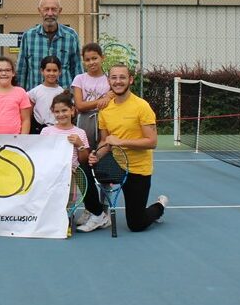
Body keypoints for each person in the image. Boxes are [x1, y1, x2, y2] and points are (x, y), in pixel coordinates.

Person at [79, 63, 169, 233]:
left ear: (130, 80)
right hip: (116, 164)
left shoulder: (142, 106)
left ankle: (159, 206)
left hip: (138, 169)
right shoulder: (105, 109)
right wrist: (97, 155)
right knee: (82, 166)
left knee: (136, 224)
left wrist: (121, 142)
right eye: (114, 77)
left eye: (122, 77)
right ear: (108, 81)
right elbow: (105, 141)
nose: (118, 81)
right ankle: (98, 214)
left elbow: (152, 142)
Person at [39, 91, 90, 219]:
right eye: (57, 111)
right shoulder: (46, 131)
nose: (61, 114)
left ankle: (67, 223)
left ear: (72, 110)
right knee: (51, 204)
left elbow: (84, 160)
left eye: (64, 110)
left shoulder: (80, 133)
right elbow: (41, 155)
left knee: (69, 204)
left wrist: (80, 145)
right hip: (51, 176)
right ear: (52, 112)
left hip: (71, 176)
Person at [16, 0, 82, 91]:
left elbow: (77, 70)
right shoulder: (28, 36)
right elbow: (21, 71)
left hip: (63, 96)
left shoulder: (71, 36)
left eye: (54, 9)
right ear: (40, 11)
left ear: (60, 11)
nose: (50, 13)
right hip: (35, 97)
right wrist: (20, 95)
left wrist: (77, 96)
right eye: (46, 9)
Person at [71, 42, 113, 149]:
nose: (91, 62)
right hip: (84, 121)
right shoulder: (79, 79)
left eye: (94, 58)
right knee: (85, 149)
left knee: (104, 149)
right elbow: (79, 105)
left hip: (106, 119)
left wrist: (108, 99)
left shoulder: (110, 79)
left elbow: (113, 99)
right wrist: (103, 100)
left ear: (102, 58)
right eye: (87, 60)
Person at [27, 56, 64, 134]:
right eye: (48, 70)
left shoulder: (62, 92)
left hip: (58, 130)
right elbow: (28, 115)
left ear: (59, 72)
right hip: (38, 130)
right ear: (42, 71)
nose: (51, 73)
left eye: (55, 70)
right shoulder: (34, 92)